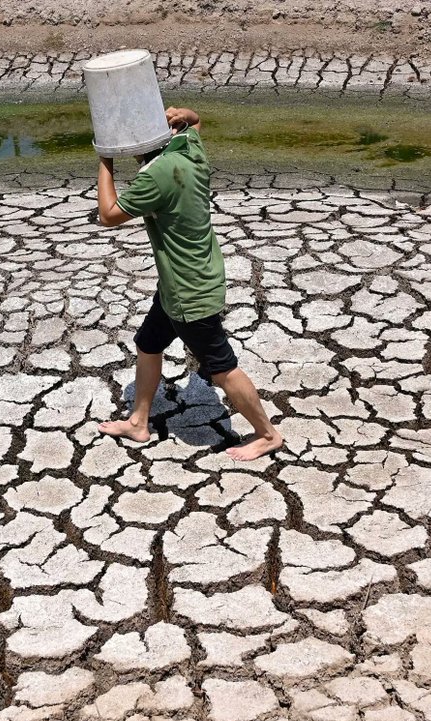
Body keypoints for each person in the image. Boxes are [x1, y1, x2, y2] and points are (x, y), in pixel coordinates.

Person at [95, 106, 282, 462]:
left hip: (188, 293)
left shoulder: (157, 176)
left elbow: (108, 214)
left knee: (222, 368)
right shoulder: (188, 149)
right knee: (149, 344)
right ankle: (138, 421)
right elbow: (196, 122)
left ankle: (267, 434)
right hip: (187, 280)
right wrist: (188, 114)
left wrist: (105, 158)